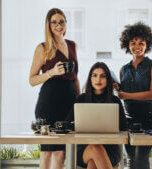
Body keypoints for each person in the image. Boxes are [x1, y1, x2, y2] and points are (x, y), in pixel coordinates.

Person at [29, 8, 80, 169]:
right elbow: (32, 80)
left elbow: (75, 77)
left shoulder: (72, 45)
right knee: (47, 151)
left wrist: (79, 102)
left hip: (69, 101)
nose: (58, 25)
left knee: (61, 152)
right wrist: (51, 72)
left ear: (66, 23)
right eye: (54, 22)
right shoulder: (43, 47)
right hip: (49, 101)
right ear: (48, 25)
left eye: (61, 21)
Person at [65, 62, 127, 169]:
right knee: (95, 148)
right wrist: (76, 125)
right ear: (90, 79)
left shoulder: (114, 100)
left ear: (108, 79)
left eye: (102, 76)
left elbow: (124, 127)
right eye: (94, 75)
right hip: (84, 148)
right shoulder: (82, 99)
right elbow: (66, 124)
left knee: (93, 163)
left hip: (110, 148)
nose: (98, 80)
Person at [117, 22, 152, 169]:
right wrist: (117, 88)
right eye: (133, 43)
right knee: (130, 160)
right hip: (128, 118)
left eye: (141, 43)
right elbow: (122, 94)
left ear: (147, 44)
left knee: (141, 159)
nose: (137, 46)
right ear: (127, 45)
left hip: (147, 118)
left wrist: (125, 95)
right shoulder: (123, 69)